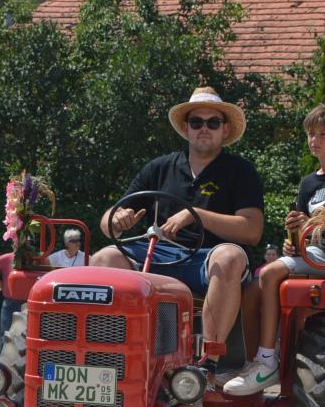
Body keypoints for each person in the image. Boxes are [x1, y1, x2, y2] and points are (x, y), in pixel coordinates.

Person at [92, 86, 264, 377]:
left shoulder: (240, 171)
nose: (204, 129)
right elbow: (108, 219)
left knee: (230, 256)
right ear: (186, 128)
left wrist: (195, 216)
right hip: (159, 256)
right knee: (102, 259)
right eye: (197, 122)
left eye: (213, 123)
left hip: (209, 259)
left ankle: (208, 362)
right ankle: (109, 358)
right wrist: (117, 218)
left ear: (225, 130)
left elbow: (252, 230)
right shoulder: (159, 168)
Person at [226, 103, 325, 394]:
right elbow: (302, 232)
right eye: (310, 134)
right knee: (251, 290)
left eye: (322, 134)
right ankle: (252, 360)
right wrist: (292, 240)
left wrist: (319, 223)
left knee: (268, 274)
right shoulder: (308, 183)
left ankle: (267, 361)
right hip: (309, 255)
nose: (314, 140)